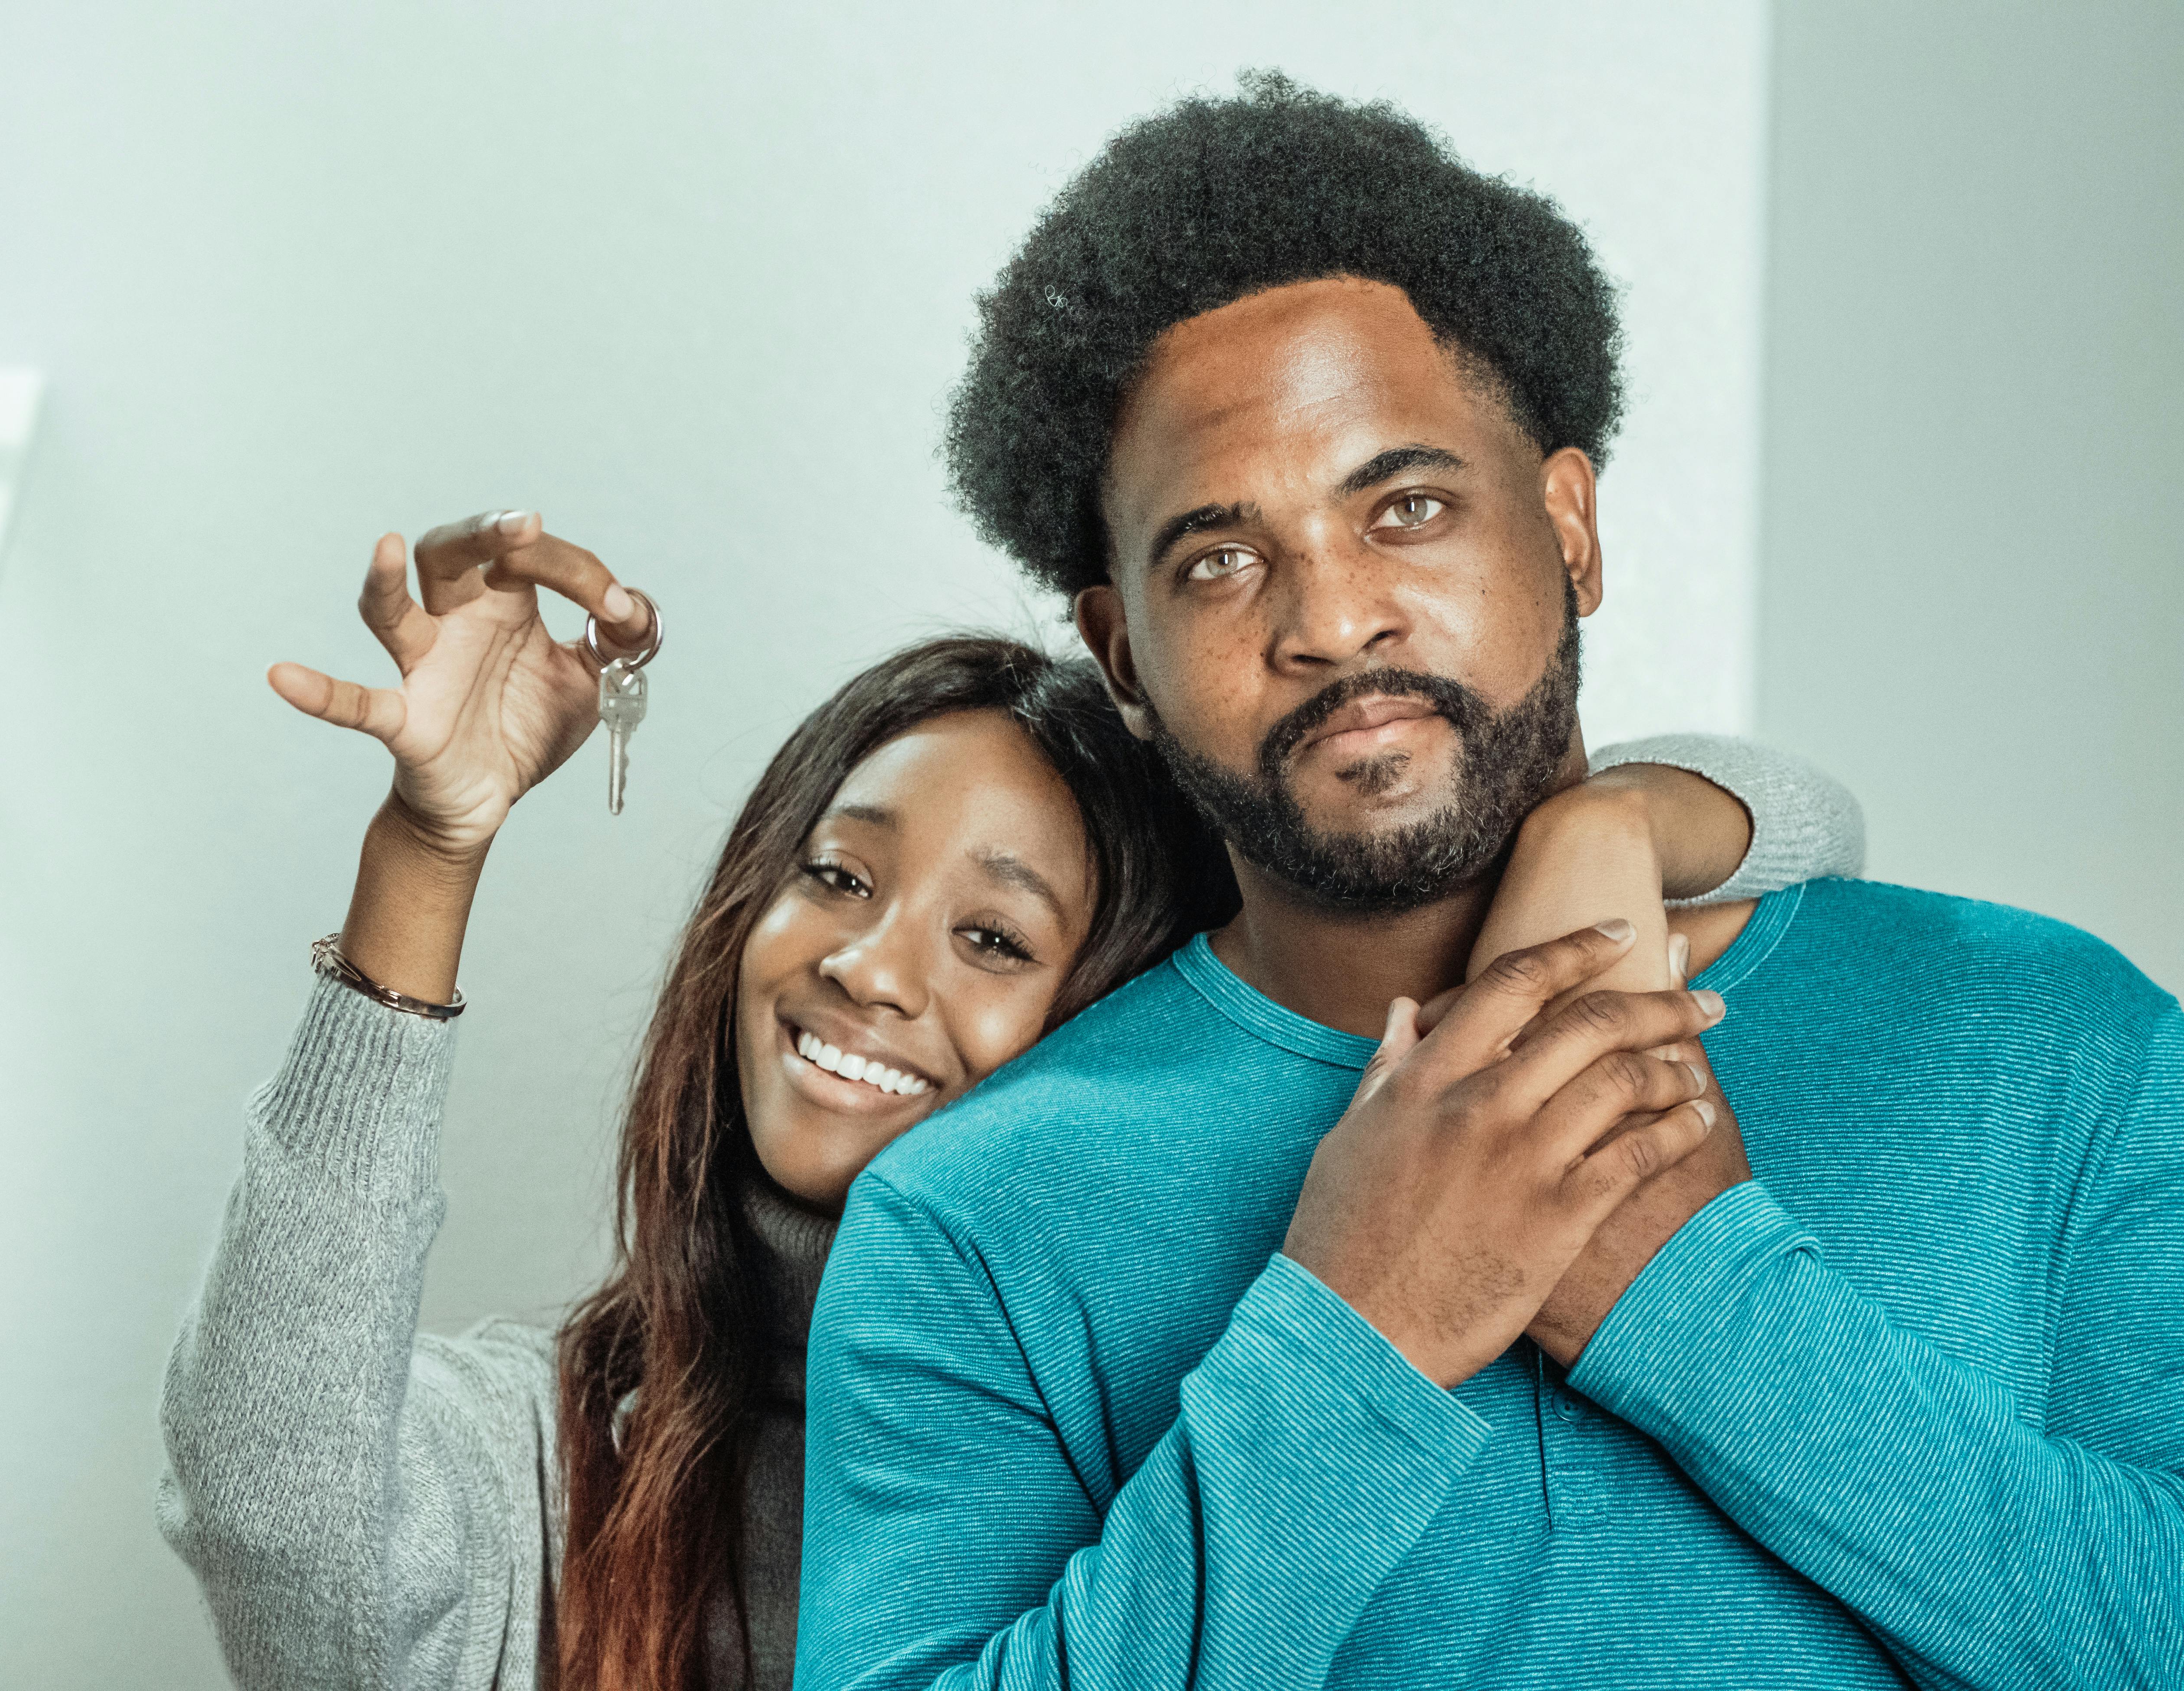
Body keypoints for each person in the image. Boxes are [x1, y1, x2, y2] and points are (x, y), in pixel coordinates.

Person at [798, 75, 2184, 1691]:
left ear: (1570, 526)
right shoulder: (979, 1219)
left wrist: (1695, 1302)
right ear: (1122, 657)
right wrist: (1356, 1333)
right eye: (1222, 559)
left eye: (1407, 507)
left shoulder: (2052, 1036)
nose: (1333, 617)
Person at [156, 506, 1860, 1691]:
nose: (869, 969)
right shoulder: (553, 1445)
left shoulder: (1192, 1411)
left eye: (992, 933)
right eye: (834, 876)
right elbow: (270, 1504)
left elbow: (1815, 828)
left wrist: (1594, 831)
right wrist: (429, 855)